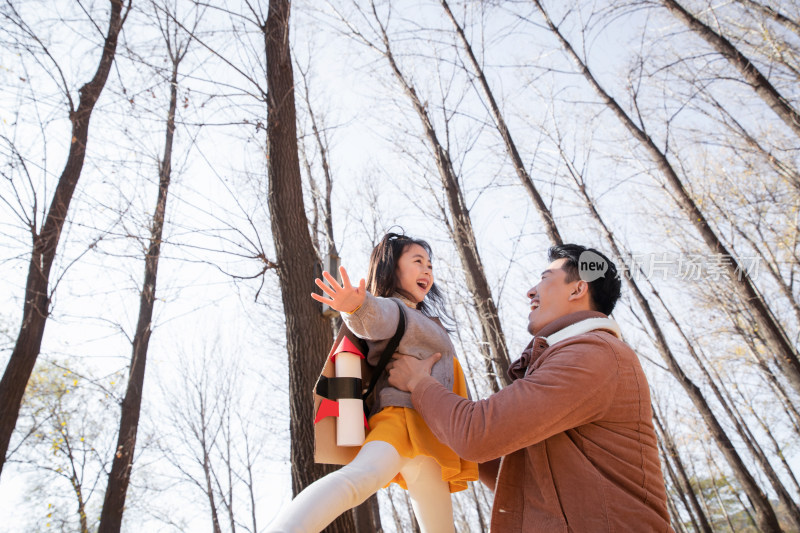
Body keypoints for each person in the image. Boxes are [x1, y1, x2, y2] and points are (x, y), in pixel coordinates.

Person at [387, 244, 673, 532]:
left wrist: (419, 383)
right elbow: (522, 478)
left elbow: (476, 434)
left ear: (577, 290)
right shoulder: (571, 356)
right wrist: (437, 410)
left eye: (545, 278)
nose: (531, 291)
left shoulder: (593, 353)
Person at [268, 233, 477, 533]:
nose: (427, 270)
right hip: (402, 420)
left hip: (429, 435)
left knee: (441, 528)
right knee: (357, 481)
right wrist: (355, 306)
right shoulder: (395, 309)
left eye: (430, 265)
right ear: (392, 270)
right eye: (417, 261)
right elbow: (373, 317)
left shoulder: (426, 319)